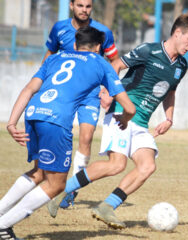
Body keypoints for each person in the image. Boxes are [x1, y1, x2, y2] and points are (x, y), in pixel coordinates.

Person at [47, 12, 188, 229]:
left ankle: (106, 207)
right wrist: (106, 91)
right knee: (116, 165)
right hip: (121, 113)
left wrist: (169, 118)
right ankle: (61, 190)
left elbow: (170, 92)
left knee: (148, 166)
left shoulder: (181, 66)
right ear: (178, 33)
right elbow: (116, 65)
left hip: (141, 123)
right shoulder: (149, 50)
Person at [0, 26, 135, 239]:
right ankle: (3, 225)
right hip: (56, 121)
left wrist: (11, 123)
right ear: (99, 47)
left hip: (33, 113)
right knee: (57, 185)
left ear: (75, 44)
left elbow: (29, 89)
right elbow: (130, 108)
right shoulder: (101, 63)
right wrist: (125, 120)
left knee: (39, 173)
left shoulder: (55, 58)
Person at [43, 0, 119, 207]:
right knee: (59, 135)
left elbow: (114, 61)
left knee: (86, 137)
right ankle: (51, 181)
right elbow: (50, 54)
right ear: (71, 6)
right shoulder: (59, 28)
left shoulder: (103, 32)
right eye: (80, 5)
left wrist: (107, 89)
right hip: (64, 92)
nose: (84, 10)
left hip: (91, 94)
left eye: (88, 6)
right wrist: (42, 82)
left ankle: (72, 189)